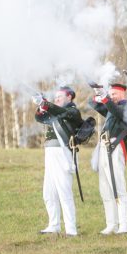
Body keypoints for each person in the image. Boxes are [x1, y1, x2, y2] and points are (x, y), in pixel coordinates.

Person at [33, 86, 83, 236]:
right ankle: (53, 224)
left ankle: (71, 228)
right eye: (55, 97)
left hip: (62, 152)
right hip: (50, 152)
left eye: (60, 96)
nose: (56, 99)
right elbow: (39, 117)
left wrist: (46, 103)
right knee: (48, 192)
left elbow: (63, 113)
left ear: (69, 97)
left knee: (64, 191)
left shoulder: (72, 111)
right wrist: (41, 105)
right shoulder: (54, 111)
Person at [89, 82, 127, 235]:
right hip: (103, 146)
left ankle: (124, 225)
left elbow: (118, 113)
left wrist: (106, 98)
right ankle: (111, 224)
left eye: (114, 93)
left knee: (119, 188)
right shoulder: (110, 106)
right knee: (105, 189)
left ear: (122, 94)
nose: (112, 96)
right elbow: (94, 104)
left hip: (116, 147)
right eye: (111, 93)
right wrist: (97, 92)